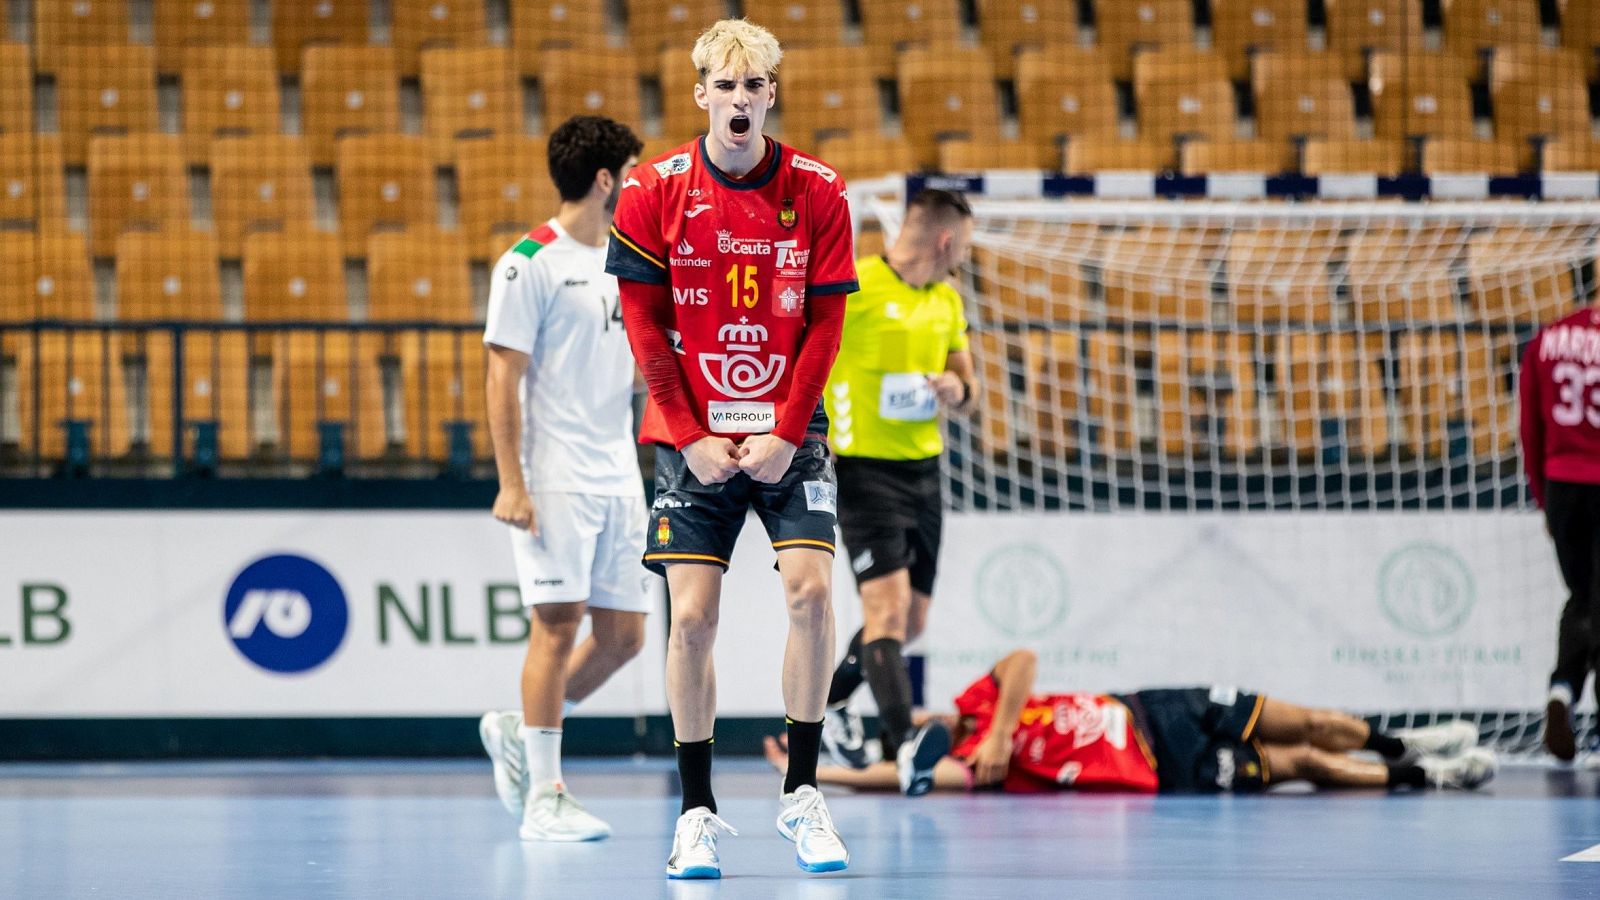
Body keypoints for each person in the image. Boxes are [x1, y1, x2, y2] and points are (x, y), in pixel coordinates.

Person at [604, 19, 858, 879]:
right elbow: (643, 325)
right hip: (692, 435)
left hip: (792, 429)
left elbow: (827, 323)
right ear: (701, 91)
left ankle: (803, 796)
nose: (741, 100)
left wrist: (788, 431)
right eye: (726, 84)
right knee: (694, 617)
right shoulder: (653, 189)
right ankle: (697, 811)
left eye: (756, 86)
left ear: (771, 93)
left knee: (814, 597)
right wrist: (689, 435)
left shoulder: (820, 189)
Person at [477, 115, 647, 842]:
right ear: (606, 179)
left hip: (619, 472)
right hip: (553, 476)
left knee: (626, 638)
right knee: (557, 627)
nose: (641, 184)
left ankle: (523, 727)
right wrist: (511, 482)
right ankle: (544, 797)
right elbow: (500, 377)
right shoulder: (529, 262)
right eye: (633, 172)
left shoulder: (635, 259)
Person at [766, 649, 1498, 795]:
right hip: (1164, 772)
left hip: (1155, 706)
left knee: (1301, 719)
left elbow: (1021, 658)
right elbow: (904, 777)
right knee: (1299, 764)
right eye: (917, 732)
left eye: (923, 722)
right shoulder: (983, 772)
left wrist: (993, 727)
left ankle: (1402, 741)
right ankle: (1425, 775)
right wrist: (815, 772)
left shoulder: (980, 709)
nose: (926, 724)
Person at [817, 188, 978, 796]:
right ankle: (903, 743)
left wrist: (955, 391)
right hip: (863, 472)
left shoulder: (947, 300)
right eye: (964, 240)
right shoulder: (854, 285)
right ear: (945, 240)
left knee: (909, 621)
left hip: (924, 473)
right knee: (883, 613)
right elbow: (805, 352)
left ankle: (826, 706)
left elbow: (969, 383)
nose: (965, 251)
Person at [1518, 303, 1600, 761]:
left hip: (1562, 481)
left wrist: (1543, 497)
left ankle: (1562, 691)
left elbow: (1530, 426)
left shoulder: (1547, 339)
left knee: (1583, 595)